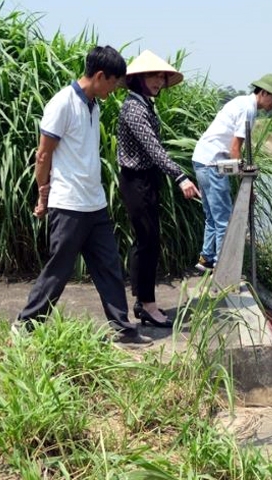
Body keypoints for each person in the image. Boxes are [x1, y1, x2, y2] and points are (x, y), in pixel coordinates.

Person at [13, 45, 150, 345]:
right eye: (113, 82)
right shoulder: (62, 104)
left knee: (109, 266)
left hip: (94, 203)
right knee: (58, 270)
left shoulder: (94, 105)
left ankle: (121, 328)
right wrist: (42, 196)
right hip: (69, 204)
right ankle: (25, 326)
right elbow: (42, 155)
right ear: (100, 76)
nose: (114, 89)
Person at [117, 50, 200, 327]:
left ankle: (142, 300)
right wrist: (180, 177)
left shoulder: (146, 104)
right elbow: (154, 149)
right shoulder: (133, 107)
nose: (159, 81)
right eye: (153, 75)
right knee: (147, 242)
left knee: (147, 242)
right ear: (139, 78)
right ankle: (148, 305)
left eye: (162, 76)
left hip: (147, 179)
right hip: (135, 180)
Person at [191, 73, 272, 271]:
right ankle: (222, 267)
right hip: (213, 163)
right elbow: (235, 149)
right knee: (224, 219)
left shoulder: (241, 101)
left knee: (212, 216)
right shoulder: (248, 109)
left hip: (201, 159)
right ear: (264, 92)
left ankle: (206, 259)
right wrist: (247, 182)